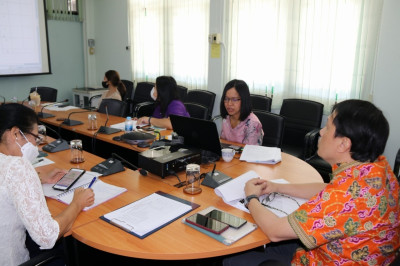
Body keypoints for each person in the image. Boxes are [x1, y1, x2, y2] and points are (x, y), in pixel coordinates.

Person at [224, 99, 400, 266]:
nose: (321, 132)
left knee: (232, 258)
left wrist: (251, 197)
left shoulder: (343, 197)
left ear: (343, 144)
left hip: (325, 260)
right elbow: (330, 189)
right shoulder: (377, 168)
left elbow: (275, 231)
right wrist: (276, 187)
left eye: (328, 127)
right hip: (351, 255)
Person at [0, 103, 95, 265]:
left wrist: (39, 177)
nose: (36, 147)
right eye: (35, 138)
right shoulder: (18, 166)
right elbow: (47, 236)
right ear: (15, 133)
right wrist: (77, 203)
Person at [219, 79, 263, 145]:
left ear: (244, 100)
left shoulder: (253, 124)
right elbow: (223, 142)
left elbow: (250, 152)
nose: (229, 104)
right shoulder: (226, 118)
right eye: (226, 99)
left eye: (235, 99)